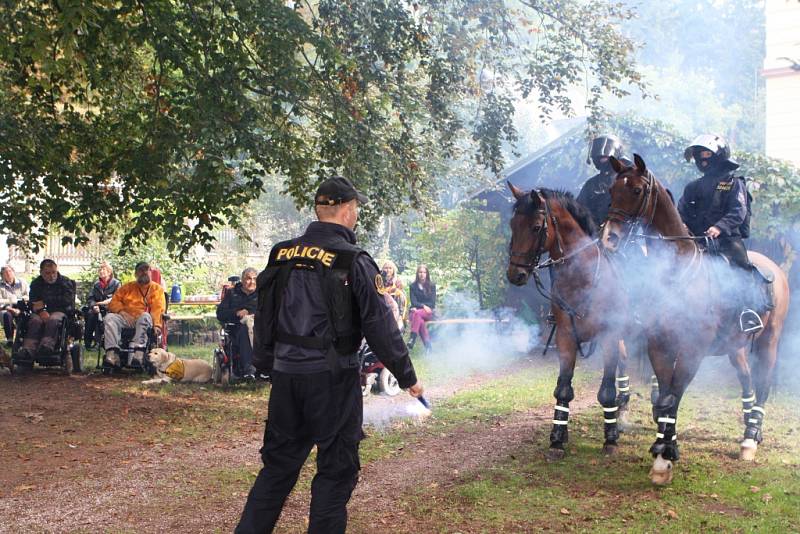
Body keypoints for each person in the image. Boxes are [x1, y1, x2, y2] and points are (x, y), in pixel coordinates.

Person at [236, 176, 423, 534]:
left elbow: (266, 315)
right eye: (356, 209)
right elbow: (381, 327)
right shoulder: (353, 259)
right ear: (348, 210)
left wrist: (265, 363)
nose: (356, 215)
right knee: (335, 474)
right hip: (332, 381)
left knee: (276, 470)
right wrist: (408, 378)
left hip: (287, 378)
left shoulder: (281, 254)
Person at [677, 133, 772, 332]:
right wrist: (683, 225)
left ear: (718, 156)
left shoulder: (733, 183)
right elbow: (681, 211)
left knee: (741, 267)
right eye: (697, 156)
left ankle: (748, 312)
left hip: (727, 240)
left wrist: (719, 227)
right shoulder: (692, 187)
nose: (701, 160)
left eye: (705, 154)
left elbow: (739, 211)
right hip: (697, 240)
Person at [103, 261, 166, 367]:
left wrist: (156, 325)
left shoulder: (157, 289)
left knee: (145, 316)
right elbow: (113, 302)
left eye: (147, 270)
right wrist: (121, 312)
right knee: (109, 317)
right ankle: (112, 354)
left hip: (144, 320)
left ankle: (138, 354)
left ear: (150, 272)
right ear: (136, 274)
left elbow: (158, 308)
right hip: (126, 319)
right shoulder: (127, 287)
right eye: (141, 270)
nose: (144, 272)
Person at [19, 259, 76, 359]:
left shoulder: (65, 282)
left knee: (53, 320)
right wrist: (41, 311)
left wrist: (45, 302)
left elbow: (67, 300)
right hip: (41, 312)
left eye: (53, 272)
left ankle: (46, 346)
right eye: (47, 273)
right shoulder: (36, 283)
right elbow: (34, 302)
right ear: (41, 273)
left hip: (60, 310)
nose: (51, 276)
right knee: (34, 321)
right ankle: (28, 349)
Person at [216, 267, 258, 378]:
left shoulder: (262, 294)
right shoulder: (232, 293)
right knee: (244, 330)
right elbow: (220, 313)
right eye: (248, 279)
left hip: (259, 326)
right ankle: (249, 369)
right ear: (242, 280)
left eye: (254, 279)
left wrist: (249, 311)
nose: (252, 282)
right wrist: (236, 313)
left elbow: (268, 310)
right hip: (236, 328)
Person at [577, 134, 628, 225]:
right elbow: (578, 210)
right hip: (593, 234)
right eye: (600, 157)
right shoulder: (591, 184)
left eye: (605, 157)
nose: (602, 160)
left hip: (624, 233)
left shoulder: (627, 182)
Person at [84, 261, 121, 348]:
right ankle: (88, 342)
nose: (101, 271)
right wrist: (94, 306)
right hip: (97, 308)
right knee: (91, 314)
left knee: (106, 317)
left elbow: (116, 298)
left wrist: (101, 304)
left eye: (103, 269)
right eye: (100, 269)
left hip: (110, 309)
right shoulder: (96, 284)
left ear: (109, 272)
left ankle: (101, 342)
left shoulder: (116, 284)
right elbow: (90, 298)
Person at [407, 264, 436, 352]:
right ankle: (428, 347)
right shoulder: (413, 286)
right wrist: (423, 306)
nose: (422, 274)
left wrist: (421, 307)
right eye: (420, 272)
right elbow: (413, 302)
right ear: (417, 273)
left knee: (417, 314)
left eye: (424, 272)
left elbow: (432, 303)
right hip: (415, 312)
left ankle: (412, 338)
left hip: (428, 312)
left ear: (427, 274)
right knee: (419, 319)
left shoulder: (432, 286)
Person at [0, 265, 29, 344]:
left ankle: (23, 338)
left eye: (10, 271)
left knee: (25, 314)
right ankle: (9, 339)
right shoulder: (0, 285)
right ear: (2, 275)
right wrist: (11, 309)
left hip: (21, 306)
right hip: (6, 308)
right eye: (5, 273)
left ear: (13, 272)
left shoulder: (22, 282)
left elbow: (28, 295)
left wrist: (21, 301)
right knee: (6, 315)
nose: (8, 274)